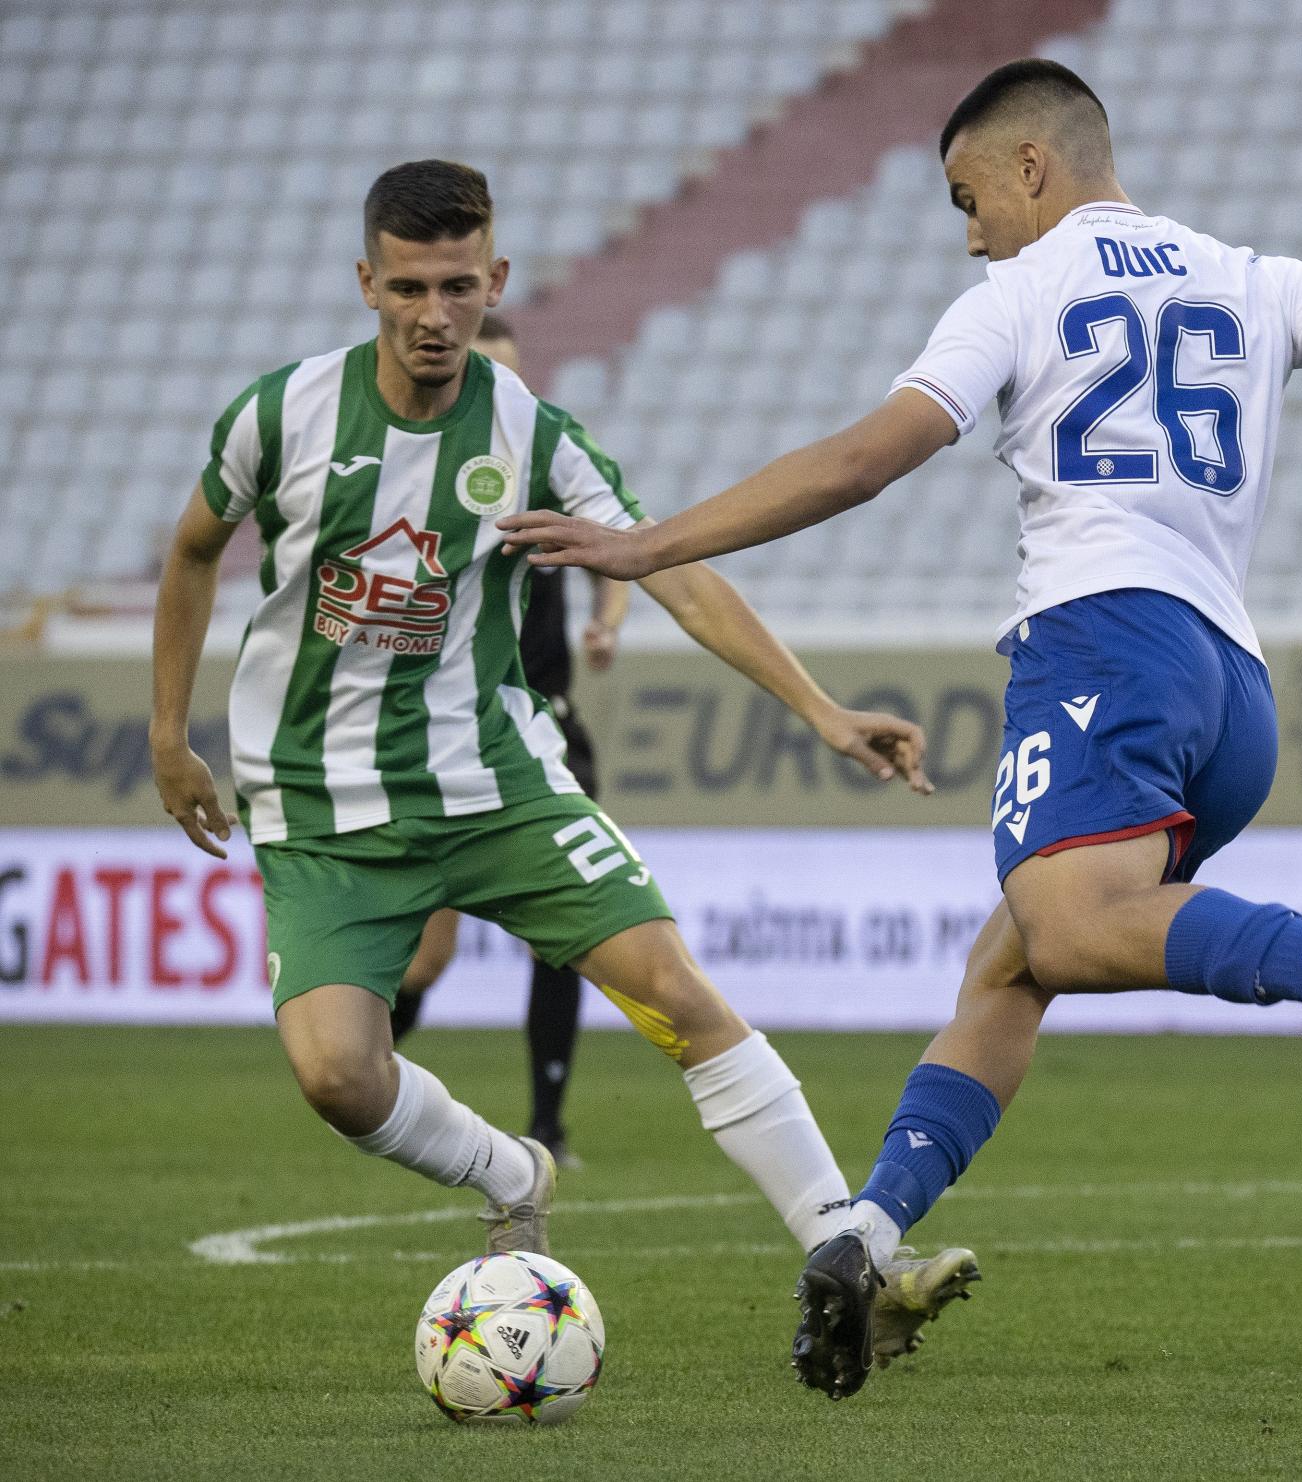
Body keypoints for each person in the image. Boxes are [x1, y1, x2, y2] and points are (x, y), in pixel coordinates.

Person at [500, 60, 1302, 1400]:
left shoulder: (1022, 292)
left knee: (1066, 925)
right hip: (1231, 690)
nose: (969, 229)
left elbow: (872, 454)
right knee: (1011, 969)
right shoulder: (1256, 278)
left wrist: (648, 543)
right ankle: (863, 1235)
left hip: (1104, 646)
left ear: (1033, 166)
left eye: (968, 196)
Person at [149, 159, 979, 1366]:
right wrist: (168, 738)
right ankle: (511, 1169)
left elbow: (668, 564)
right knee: (336, 1075)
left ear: (497, 279)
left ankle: (858, 1250)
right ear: (368, 283)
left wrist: (821, 708)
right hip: (321, 804)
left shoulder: (531, 431)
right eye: (412, 289)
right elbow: (189, 552)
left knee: (677, 994)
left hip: (497, 781)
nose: (437, 317)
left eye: (460, 289)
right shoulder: (281, 417)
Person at [387, 313, 629, 1170]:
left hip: (545, 723)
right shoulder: (413, 479)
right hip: (448, 733)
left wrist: (606, 621)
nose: (495, 390)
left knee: (566, 936)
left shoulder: (540, 460)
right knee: (426, 956)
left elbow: (620, 552)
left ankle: (548, 1124)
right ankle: (360, 1074)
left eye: (510, 373)